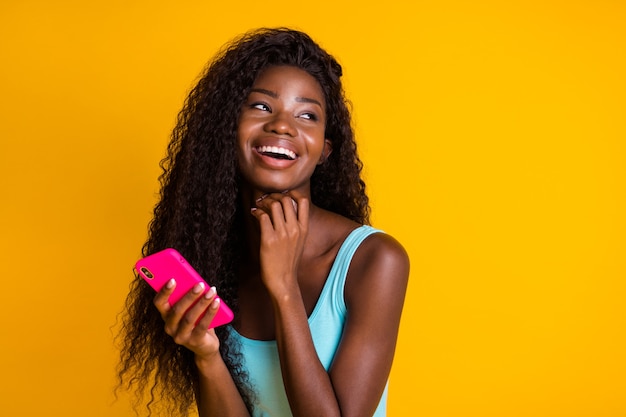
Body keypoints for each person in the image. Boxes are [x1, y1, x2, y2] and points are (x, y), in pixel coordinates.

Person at [117, 27, 410, 417]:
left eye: (307, 115)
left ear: (324, 150)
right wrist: (207, 356)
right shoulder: (217, 258)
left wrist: (284, 288)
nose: (283, 126)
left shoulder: (374, 260)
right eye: (261, 107)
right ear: (228, 128)